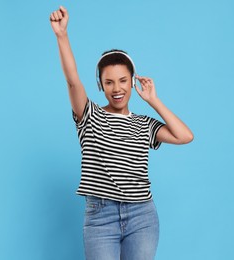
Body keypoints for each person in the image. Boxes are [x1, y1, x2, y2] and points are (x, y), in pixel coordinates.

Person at [49, 6, 194, 260]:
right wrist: (62, 36)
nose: (117, 88)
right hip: (100, 216)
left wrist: (154, 101)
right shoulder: (90, 115)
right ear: (100, 85)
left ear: (132, 81)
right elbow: (73, 81)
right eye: (109, 82)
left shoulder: (143, 124)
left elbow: (185, 136)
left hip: (143, 216)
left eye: (123, 80)